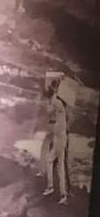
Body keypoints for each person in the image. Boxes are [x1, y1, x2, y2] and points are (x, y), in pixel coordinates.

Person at [41, 72, 70, 205]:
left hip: (60, 138)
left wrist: (54, 88)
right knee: (60, 167)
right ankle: (63, 194)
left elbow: (49, 110)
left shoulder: (57, 103)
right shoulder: (61, 105)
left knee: (49, 160)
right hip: (61, 137)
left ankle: (51, 187)